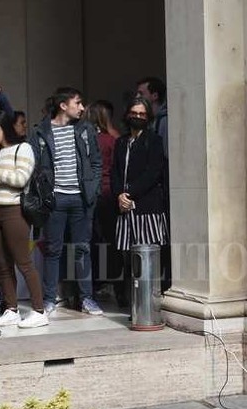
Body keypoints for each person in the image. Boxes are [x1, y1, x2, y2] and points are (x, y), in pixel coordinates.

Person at [28, 88, 104, 317]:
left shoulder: (85, 129)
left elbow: (96, 162)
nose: (82, 108)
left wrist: (93, 188)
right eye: (78, 103)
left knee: (82, 249)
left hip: (81, 199)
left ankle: (87, 298)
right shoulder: (41, 132)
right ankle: (50, 299)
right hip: (55, 198)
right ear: (63, 105)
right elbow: (35, 166)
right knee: (53, 250)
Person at [0, 110, 48, 329]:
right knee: (2, 265)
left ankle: (39, 310)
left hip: (14, 211)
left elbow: (20, 179)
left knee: (24, 263)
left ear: (4, 127)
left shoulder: (24, 148)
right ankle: (11, 308)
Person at [111, 95, 170, 301]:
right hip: (125, 209)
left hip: (148, 207)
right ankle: (134, 302)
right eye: (134, 113)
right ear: (127, 115)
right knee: (129, 258)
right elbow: (115, 172)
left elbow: (153, 172)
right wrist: (119, 195)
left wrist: (130, 193)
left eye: (142, 114)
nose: (138, 117)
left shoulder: (154, 141)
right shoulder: (121, 142)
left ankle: (150, 300)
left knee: (149, 258)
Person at [88, 99, 121, 295]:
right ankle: (116, 285)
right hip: (108, 193)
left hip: (91, 194)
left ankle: (93, 284)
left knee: (91, 240)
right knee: (112, 240)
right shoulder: (111, 140)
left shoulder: (86, 141)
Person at [135, 76, 168, 158]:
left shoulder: (165, 121)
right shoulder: (148, 121)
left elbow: (165, 154)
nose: (137, 97)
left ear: (155, 96)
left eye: (141, 93)